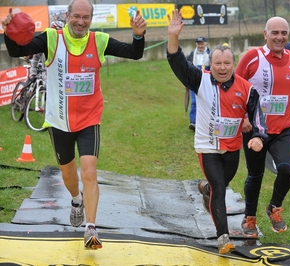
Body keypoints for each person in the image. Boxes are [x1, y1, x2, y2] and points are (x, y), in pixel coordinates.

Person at [1, 0, 147, 249]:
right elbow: (16, 50)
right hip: (59, 121)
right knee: (69, 174)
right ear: (68, 15)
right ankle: (76, 199)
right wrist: (9, 31)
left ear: (91, 18)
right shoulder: (50, 38)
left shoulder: (100, 40)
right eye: (76, 16)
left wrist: (137, 35)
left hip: (90, 119)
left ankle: (91, 228)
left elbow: (134, 53)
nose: (81, 21)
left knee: (89, 172)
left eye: (86, 17)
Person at [166, 9, 268, 254]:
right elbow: (177, 62)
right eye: (217, 63)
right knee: (221, 189)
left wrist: (257, 136)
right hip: (207, 147)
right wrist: (173, 37)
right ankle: (223, 237)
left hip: (232, 149)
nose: (222, 68)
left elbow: (258, 117)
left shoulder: (247, 89)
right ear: (210, 63)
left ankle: (207, 189)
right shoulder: (199, 79)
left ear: (233, 64)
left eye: (227, 63)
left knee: (218, 185)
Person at [235, 16, 290, 236]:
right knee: (255, 176)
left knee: (287, 170)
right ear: (265, 33)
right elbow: (235, 88)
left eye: (283, 33)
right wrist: (242, 117)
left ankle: (274, 207)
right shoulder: (252, 57)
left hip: (284, 129)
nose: (280, 37)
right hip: (256, 130)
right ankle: (249, 219)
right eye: (275, 32)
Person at [186, 36, 210, 131]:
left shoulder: (210, 54)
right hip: (193, 81)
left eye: (202, 44)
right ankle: (193, 122)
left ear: (206, 44)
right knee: (195, 102)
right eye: (198, 44)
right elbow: (186, 68)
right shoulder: (191, 54)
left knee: (206, 102)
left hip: (206, 82)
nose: (200, 46)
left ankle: (206, 122)